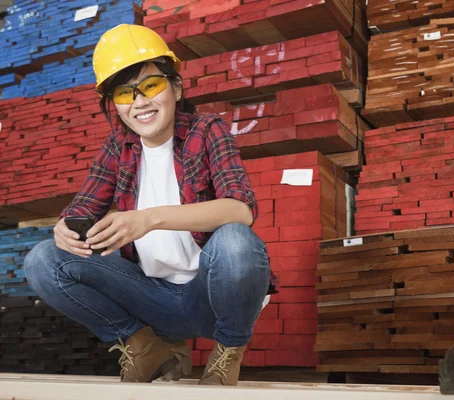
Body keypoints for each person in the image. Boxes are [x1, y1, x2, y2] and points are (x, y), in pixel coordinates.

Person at [23, 24, 277, 386]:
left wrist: (149, 220)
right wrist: (65, 229)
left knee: (236, 241)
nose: (140, 102)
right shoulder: (117, 147)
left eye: (151, 86)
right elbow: (81, 210)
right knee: (43, 259)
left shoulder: (207, 131)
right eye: (125, 93)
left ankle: (227, 354)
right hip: (148, 298)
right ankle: (144, 346)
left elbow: (240, 209)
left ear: (175, 87)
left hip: (209, 296)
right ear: (115, 105)